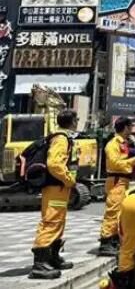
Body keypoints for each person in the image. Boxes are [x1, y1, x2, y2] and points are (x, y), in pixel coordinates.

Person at [29, 109, 79, 280]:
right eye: (76, 119)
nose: (77, 121)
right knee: (51, 221)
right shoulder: (61, 138)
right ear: (71, 122)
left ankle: (52, 257)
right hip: (56, 187)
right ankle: (40, 264)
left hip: (58, 188)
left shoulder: (61, 137)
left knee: (57, 221)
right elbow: (55, 164)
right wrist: (69, 180)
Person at [98, 117, 135, 256]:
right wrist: (133, 161)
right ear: (125, 127)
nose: (132, 128)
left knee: (120, 212)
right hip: (116, 180)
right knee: (113, 211)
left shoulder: (125, 143)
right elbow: (114, 163)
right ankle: (106, 241)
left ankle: (114, 239)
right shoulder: (113, 144)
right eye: (131, 126)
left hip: (123, 181)